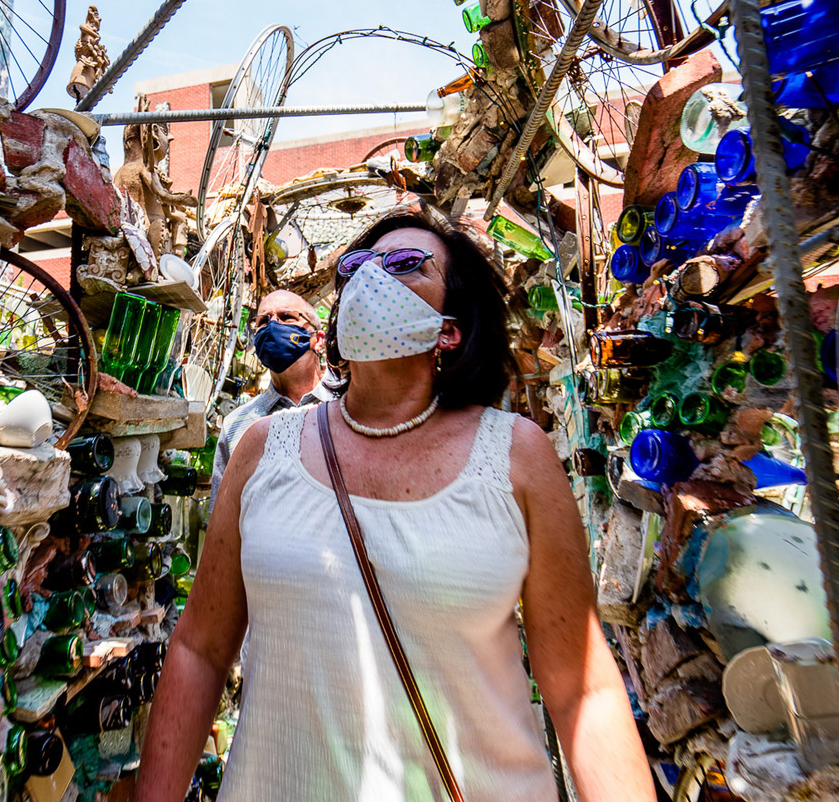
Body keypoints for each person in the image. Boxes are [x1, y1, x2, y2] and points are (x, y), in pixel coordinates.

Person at [136, 210, 655, 802]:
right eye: (356, 267)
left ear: (450, 329)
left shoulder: (515, 455)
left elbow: (579, 688)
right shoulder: (260, 449)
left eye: (407, 265)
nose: (371, 278)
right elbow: (199, 648)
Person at [209, 289, 331, 511]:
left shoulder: (348, 406)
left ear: (318, 340)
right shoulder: (237, 425)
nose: (273, 326)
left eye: (287, 317)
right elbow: (222, 518)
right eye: (263, 321)